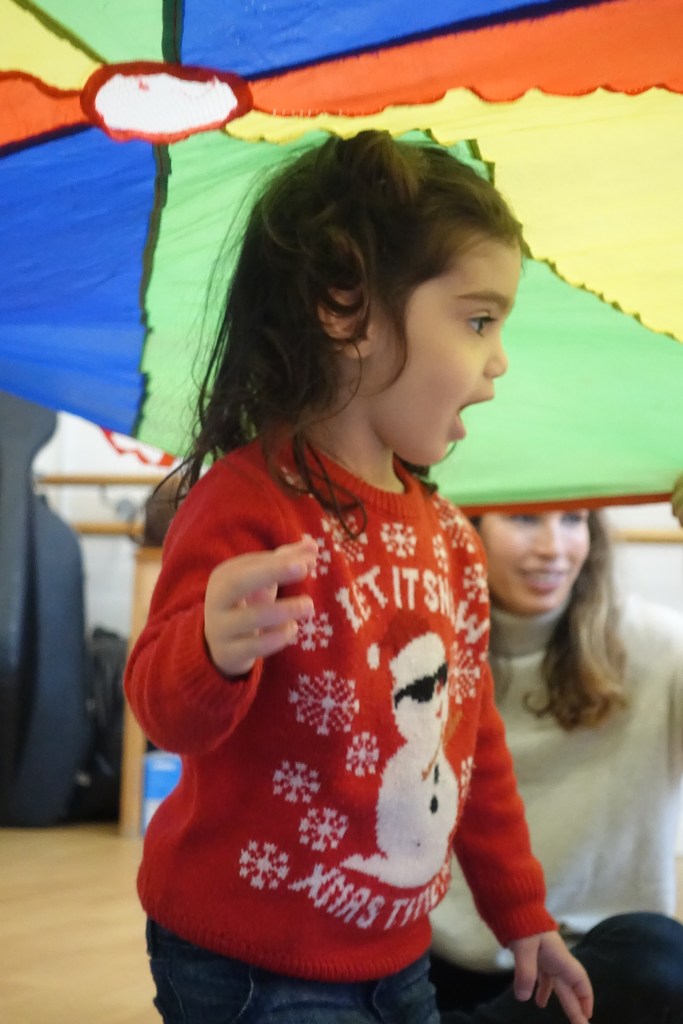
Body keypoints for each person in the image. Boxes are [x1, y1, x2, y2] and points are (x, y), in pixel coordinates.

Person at [124, 129, 592, 1024]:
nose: (498, 361)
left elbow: (471, 741)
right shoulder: (245, 504)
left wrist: (521, 912)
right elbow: (161, 711)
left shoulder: (450, 537)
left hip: (395, 956)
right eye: (478, 321)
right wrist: (211, 651)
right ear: (348, 309)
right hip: (247, 966)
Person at [430, 504, 683, 1022]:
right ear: (466, 528)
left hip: (590, 971)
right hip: (436, 967)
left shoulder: (660, 645)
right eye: (524, 519)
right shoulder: (418, 650)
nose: (554, 548)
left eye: (573, 519)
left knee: (661, 954)